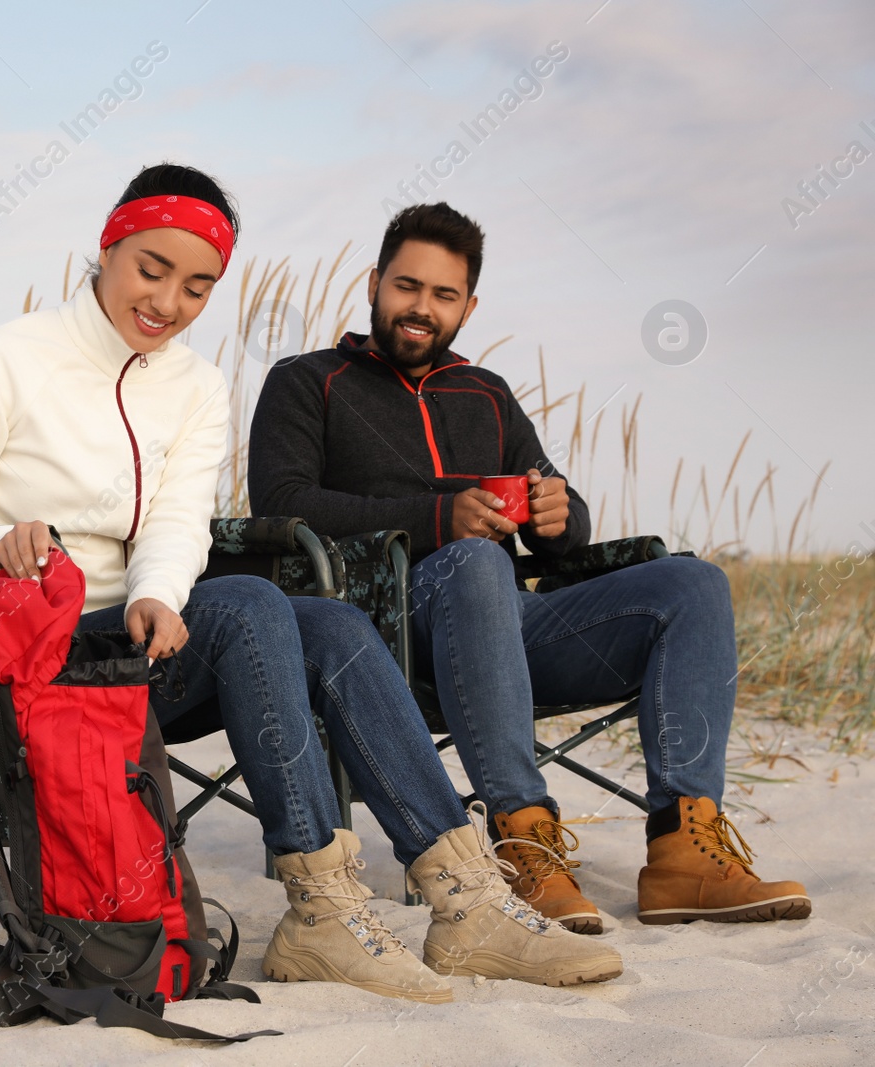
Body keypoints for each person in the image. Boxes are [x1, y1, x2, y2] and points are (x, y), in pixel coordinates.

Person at [0, 165, 622, 1002]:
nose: (169, 302)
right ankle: (319, 906)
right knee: (248, 603)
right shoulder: (8, 358)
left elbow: (176, 525)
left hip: (141, 645)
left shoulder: (198, 387)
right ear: (107, 248)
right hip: (47, 663)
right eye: (151, 269)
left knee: (332, 625)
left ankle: (466, 898)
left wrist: (157, 595)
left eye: (198, 285)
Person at [248, 201, 810, 932]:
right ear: (374, 282)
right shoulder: (307, 381)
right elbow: (281, 507)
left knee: (694, 581)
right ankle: (523, 838)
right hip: (382, 641)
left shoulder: (486, 393)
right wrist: (439, 520)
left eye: (443, 295)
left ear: (469, 306)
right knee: (476, 559)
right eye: (407, 286)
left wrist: (558, 515)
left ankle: (684, 850)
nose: (422, 308)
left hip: (507, 638)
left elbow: (562, 526)